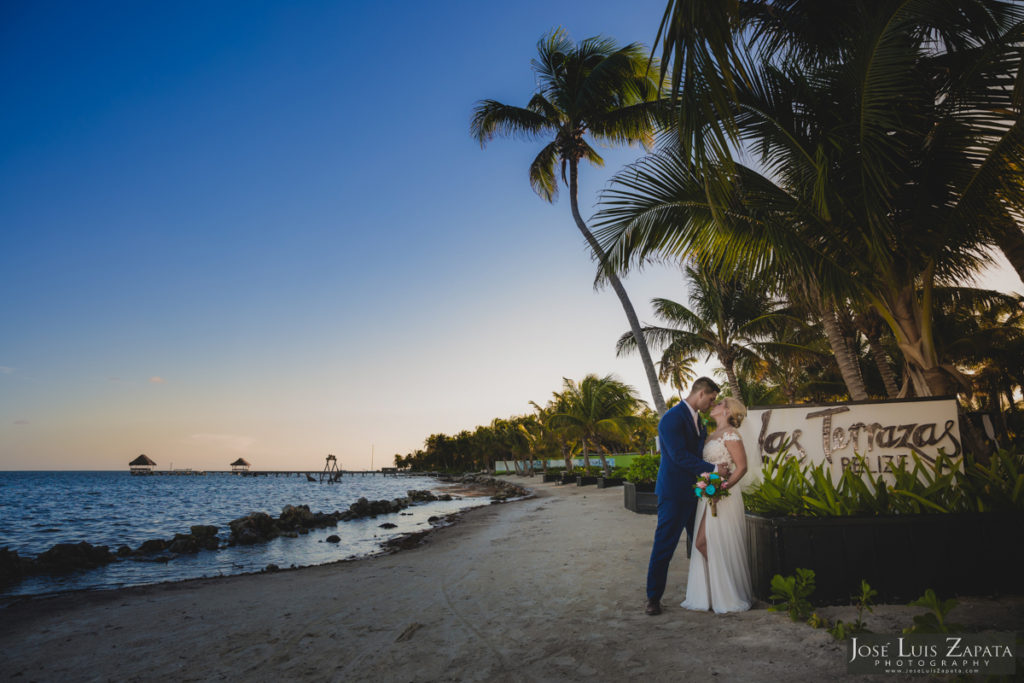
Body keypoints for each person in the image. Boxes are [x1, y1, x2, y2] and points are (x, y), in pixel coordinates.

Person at [645, 377, 725, 616]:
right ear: (701, 393)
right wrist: (713, 471)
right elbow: (679, 456)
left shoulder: (699, 421)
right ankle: (653, 598)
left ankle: (714, 594)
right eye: (711, 399)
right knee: (664, 546)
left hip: (698, 493)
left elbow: (699, 453)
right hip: (673, 494)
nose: (712, 404)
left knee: (702, 543)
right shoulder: (671, 418)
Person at [681, 396, 753, 613]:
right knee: (705, 542)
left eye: (720, 404)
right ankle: (716, 591)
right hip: (709, 496)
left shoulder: (731, 434)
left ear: (728, 412)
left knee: (706, 542)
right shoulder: (711, 434)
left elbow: (741, 467)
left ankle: (728, 593)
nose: (715, 405)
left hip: (723, 498)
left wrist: (723, 489)